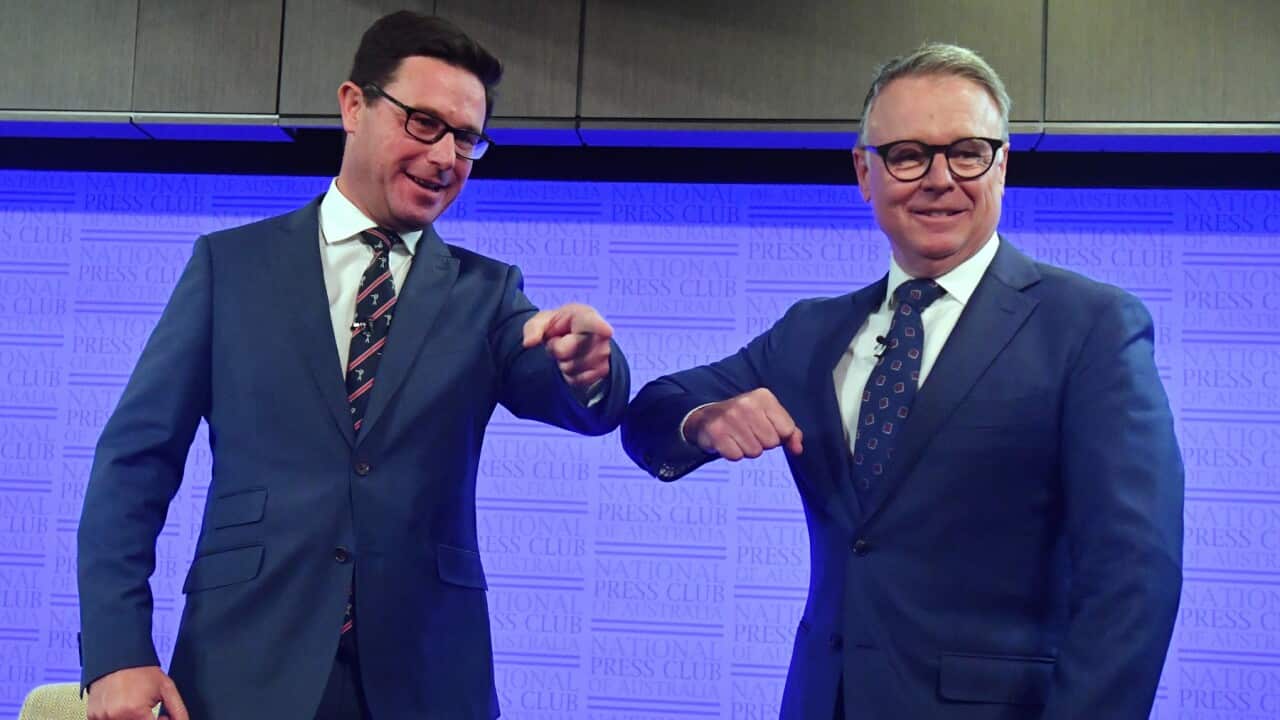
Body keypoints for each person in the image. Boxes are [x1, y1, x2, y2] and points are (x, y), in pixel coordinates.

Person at [77, 11, 629, 720]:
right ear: (353, 105)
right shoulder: (231, 268)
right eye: (425, 123)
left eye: (467, 138)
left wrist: (587, 371)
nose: (446, 157)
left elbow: (562, 387)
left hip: (429, 678)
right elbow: (134, 463)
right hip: (245, 667)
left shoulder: (488, 294)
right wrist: (120, 651)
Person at [621, 43, 1182, 719]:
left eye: (968, 152)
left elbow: (1134, 577)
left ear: (1002, 166)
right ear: (864, 171)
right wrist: (704, 421)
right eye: (909, 155)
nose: (939, 179)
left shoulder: (1090, 326)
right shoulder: (812, 333)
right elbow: (651, 412)